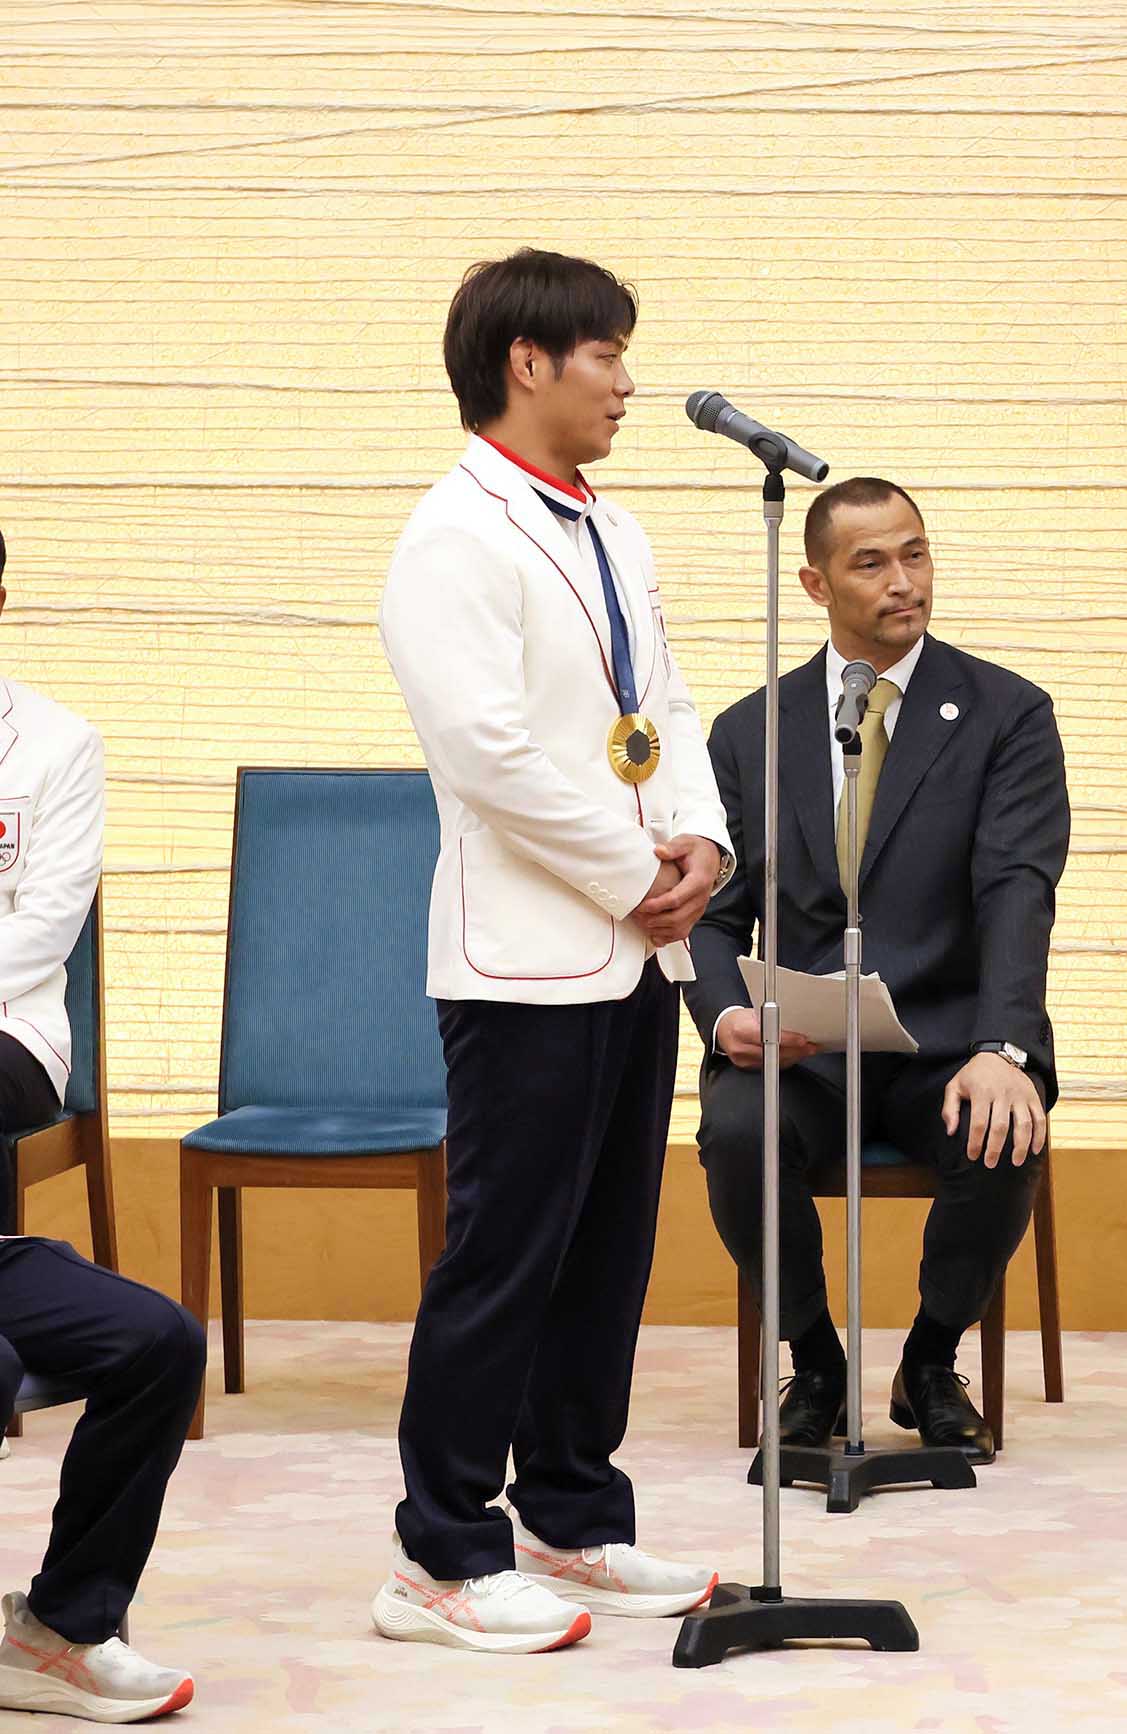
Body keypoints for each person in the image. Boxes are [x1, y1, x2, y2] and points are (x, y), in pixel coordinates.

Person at [372, 250, 730, 1652]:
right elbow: (486, 751)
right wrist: (629, 865)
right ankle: (441, 1554)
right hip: (526, 956)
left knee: (603, 1253)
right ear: (529, 361)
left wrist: (700, 839)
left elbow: (669, 702)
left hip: (638, 950)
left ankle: (572, 1518)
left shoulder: (614, 529)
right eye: (607, 355)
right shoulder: (451, 537)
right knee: (504, 1255)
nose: (629, 382)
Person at [686, 476, 1068, 1463]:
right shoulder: (745, 733)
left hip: (947, 1040)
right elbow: (711, 915)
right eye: (871, 562)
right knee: (737, 1124)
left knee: (1002, 1123)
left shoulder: (1006, 715)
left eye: (915, 553)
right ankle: (813, 1361)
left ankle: (932, 1360)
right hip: (806, 1048)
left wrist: (1002, 1046)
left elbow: (1016, 891)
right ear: (814, 584)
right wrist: (724, 1013)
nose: (905, 581)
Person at [0, 528, 203, 1723]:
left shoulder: (57, 743)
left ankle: (63, 1624)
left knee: (157, 1343)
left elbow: (40, 931)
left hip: (12, 1036)